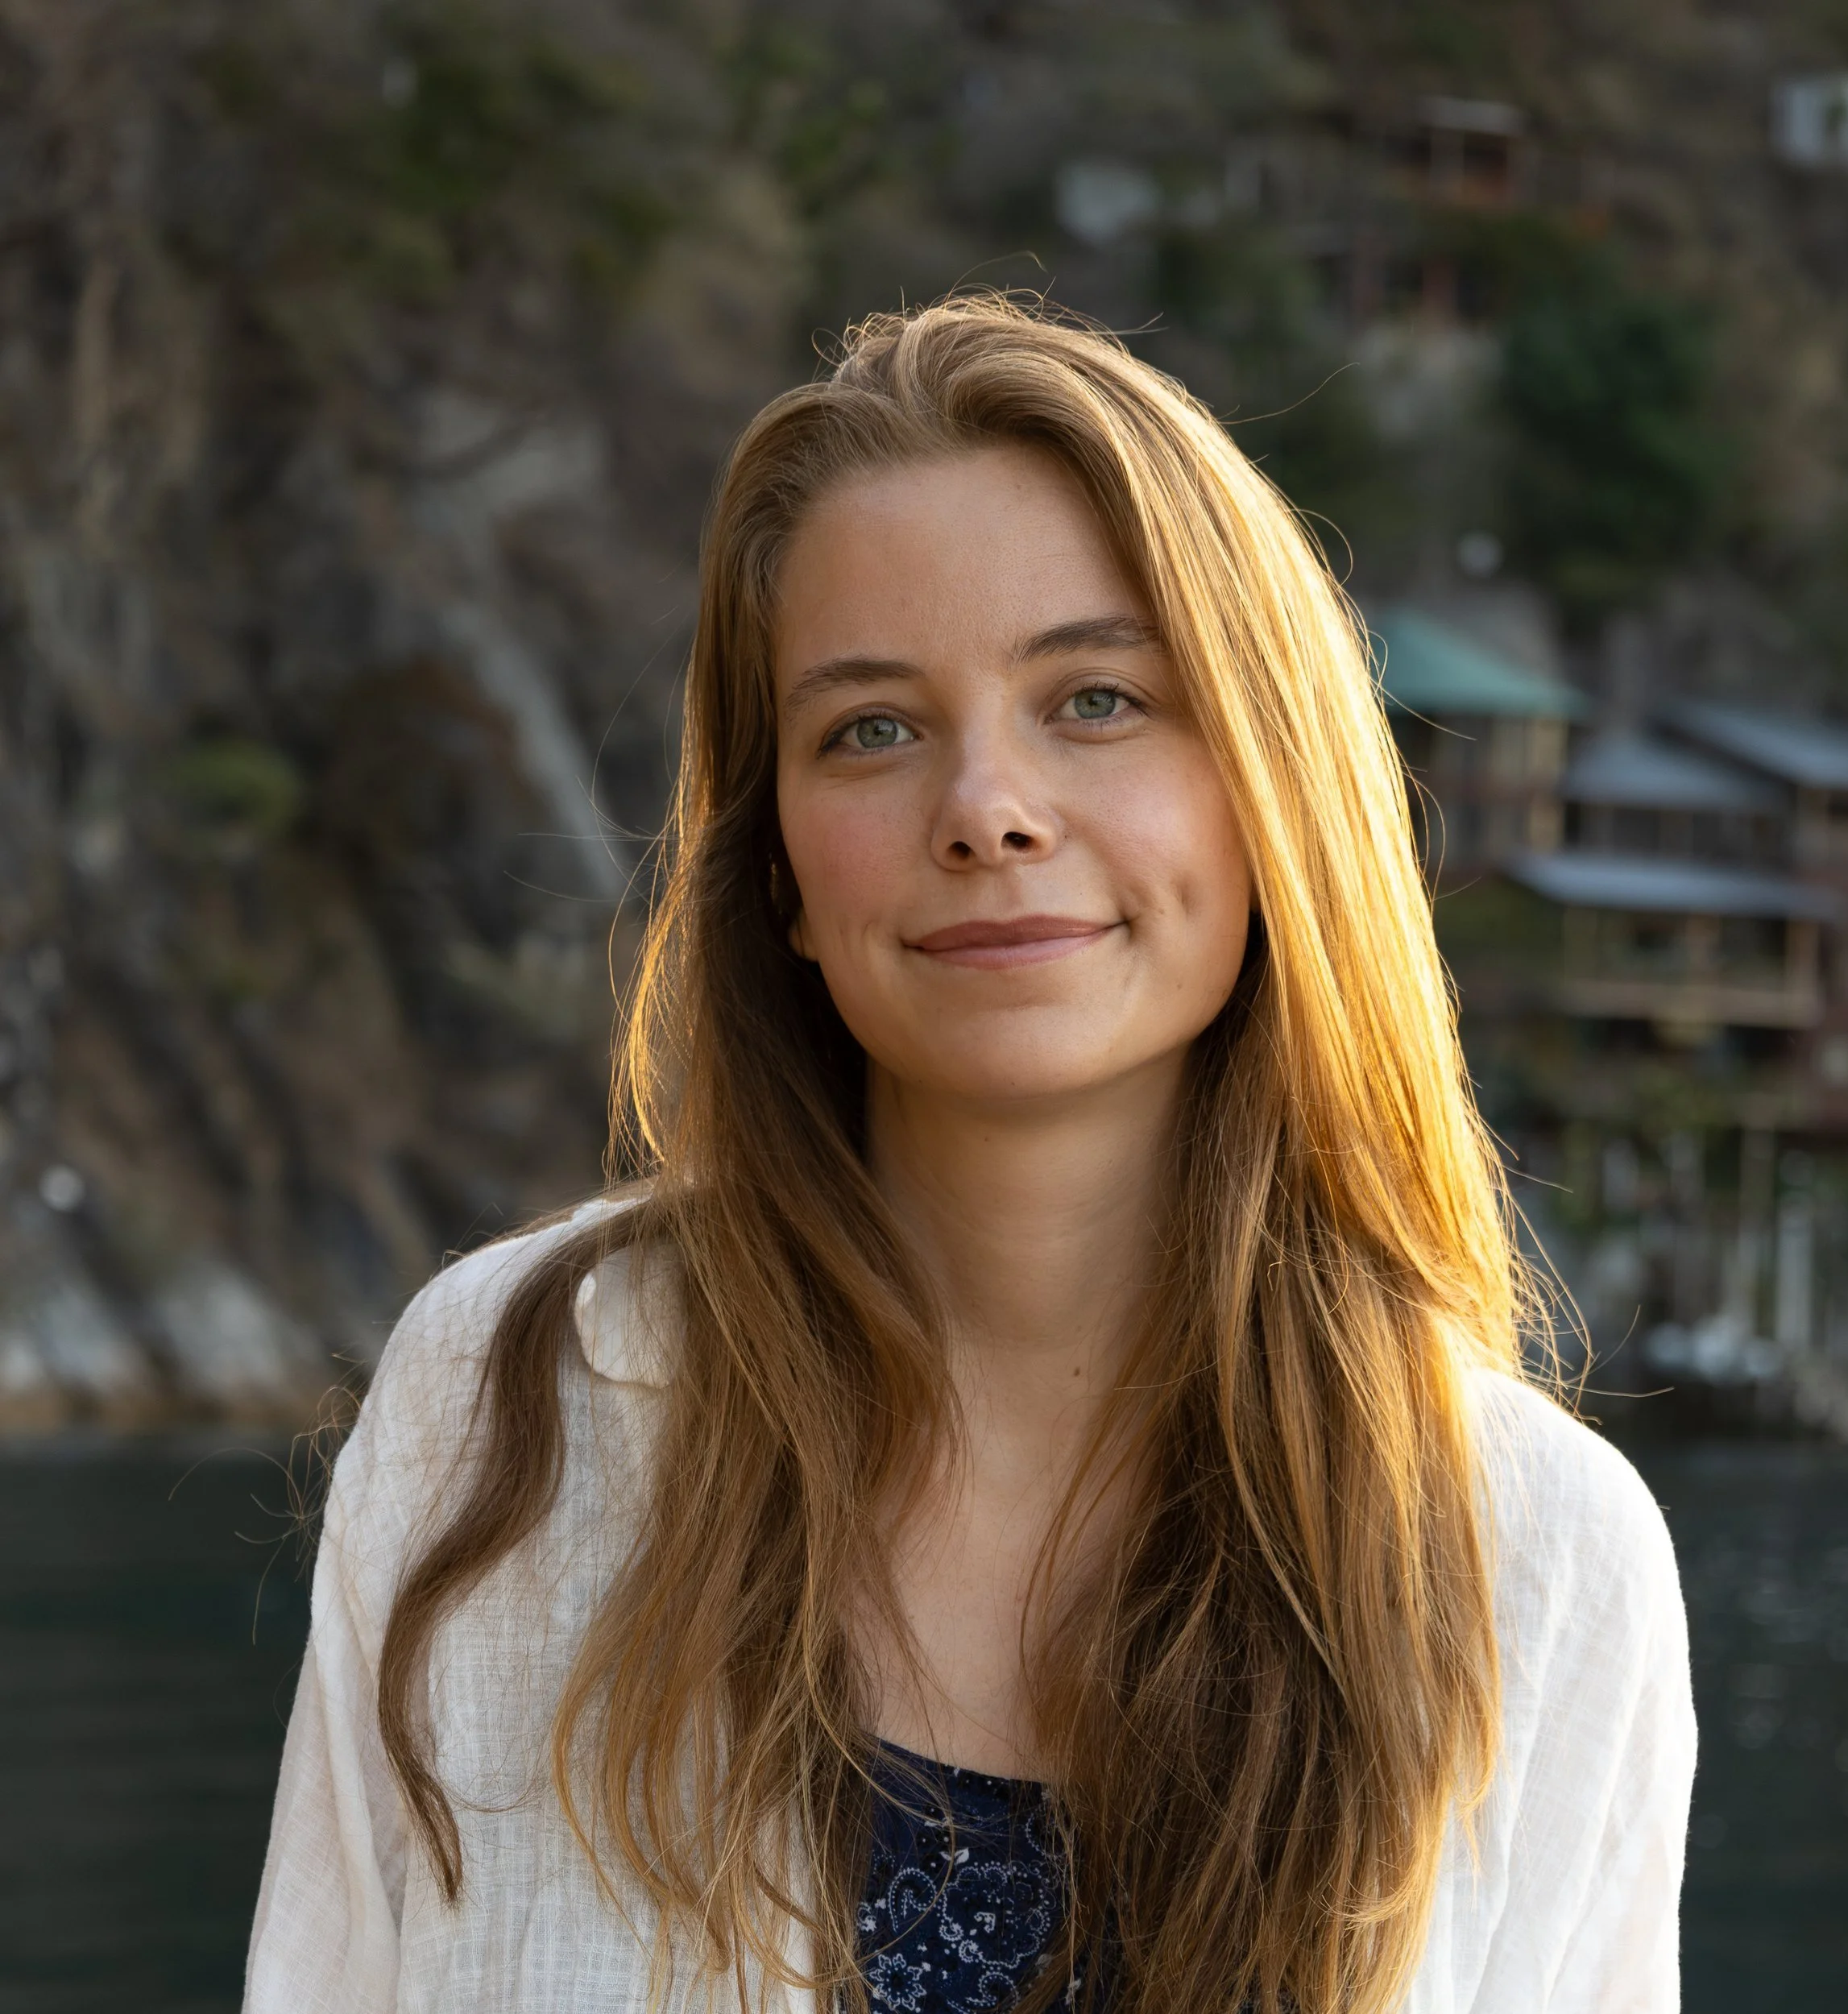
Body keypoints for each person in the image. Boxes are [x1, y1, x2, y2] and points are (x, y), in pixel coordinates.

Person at [243, 296, 1694, 2014]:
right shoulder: (509, 1406)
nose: (984, 807)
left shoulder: (1530, 1554)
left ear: (1268, 789)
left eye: (1094, 698)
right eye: (868, 725)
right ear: (775, 867)